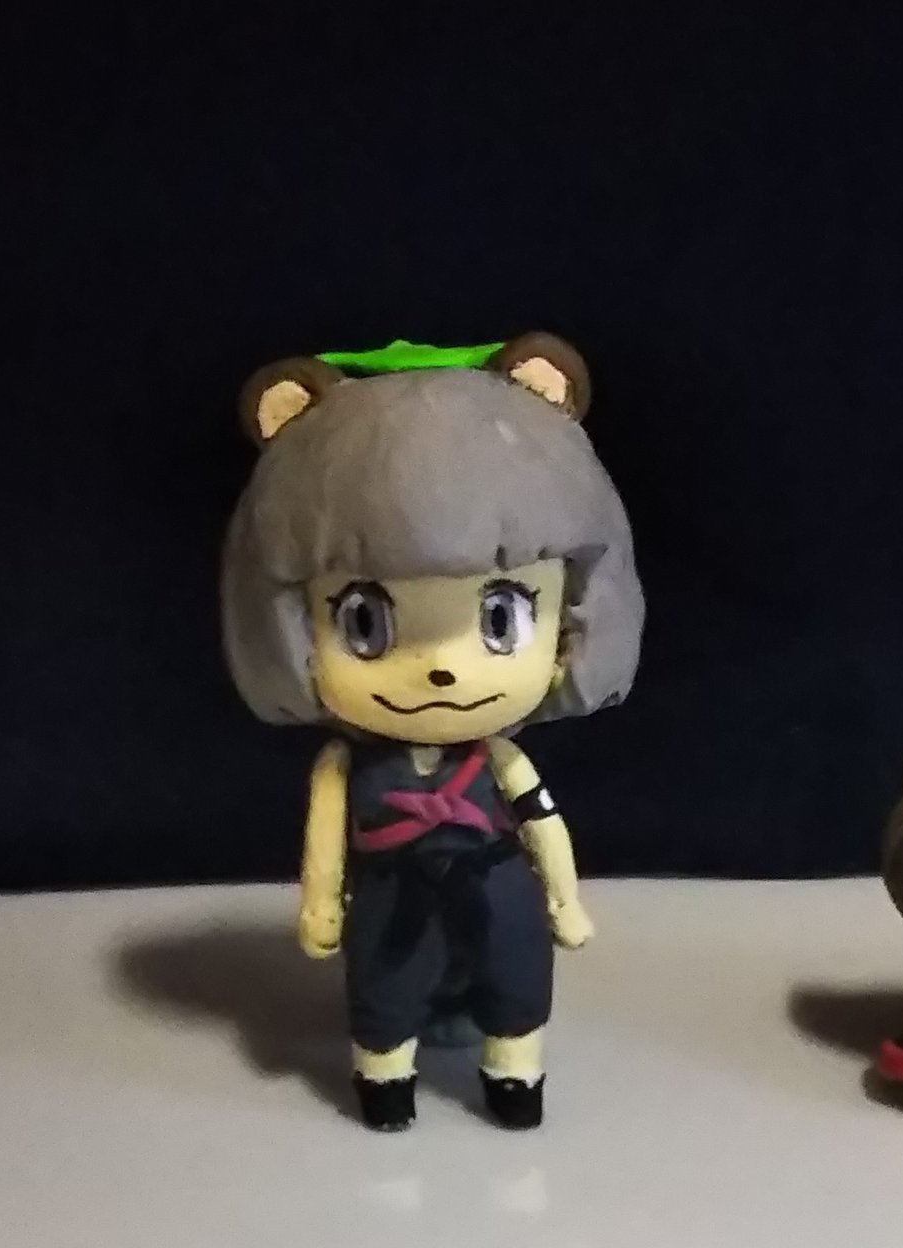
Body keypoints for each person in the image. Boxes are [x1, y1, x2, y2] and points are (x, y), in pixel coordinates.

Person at [220, 334, 644, 1130]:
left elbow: (542, 822)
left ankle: (513, 1077)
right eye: (365, 623)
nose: (442, 668)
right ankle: (386, 1083)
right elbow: (325, 842)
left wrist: (563, 901)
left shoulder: (500, 760)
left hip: (497, 892)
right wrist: (322, 906)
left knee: (516, 978)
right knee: (385, 990)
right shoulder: (346, 766)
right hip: (388, 902)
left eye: (500, 618)